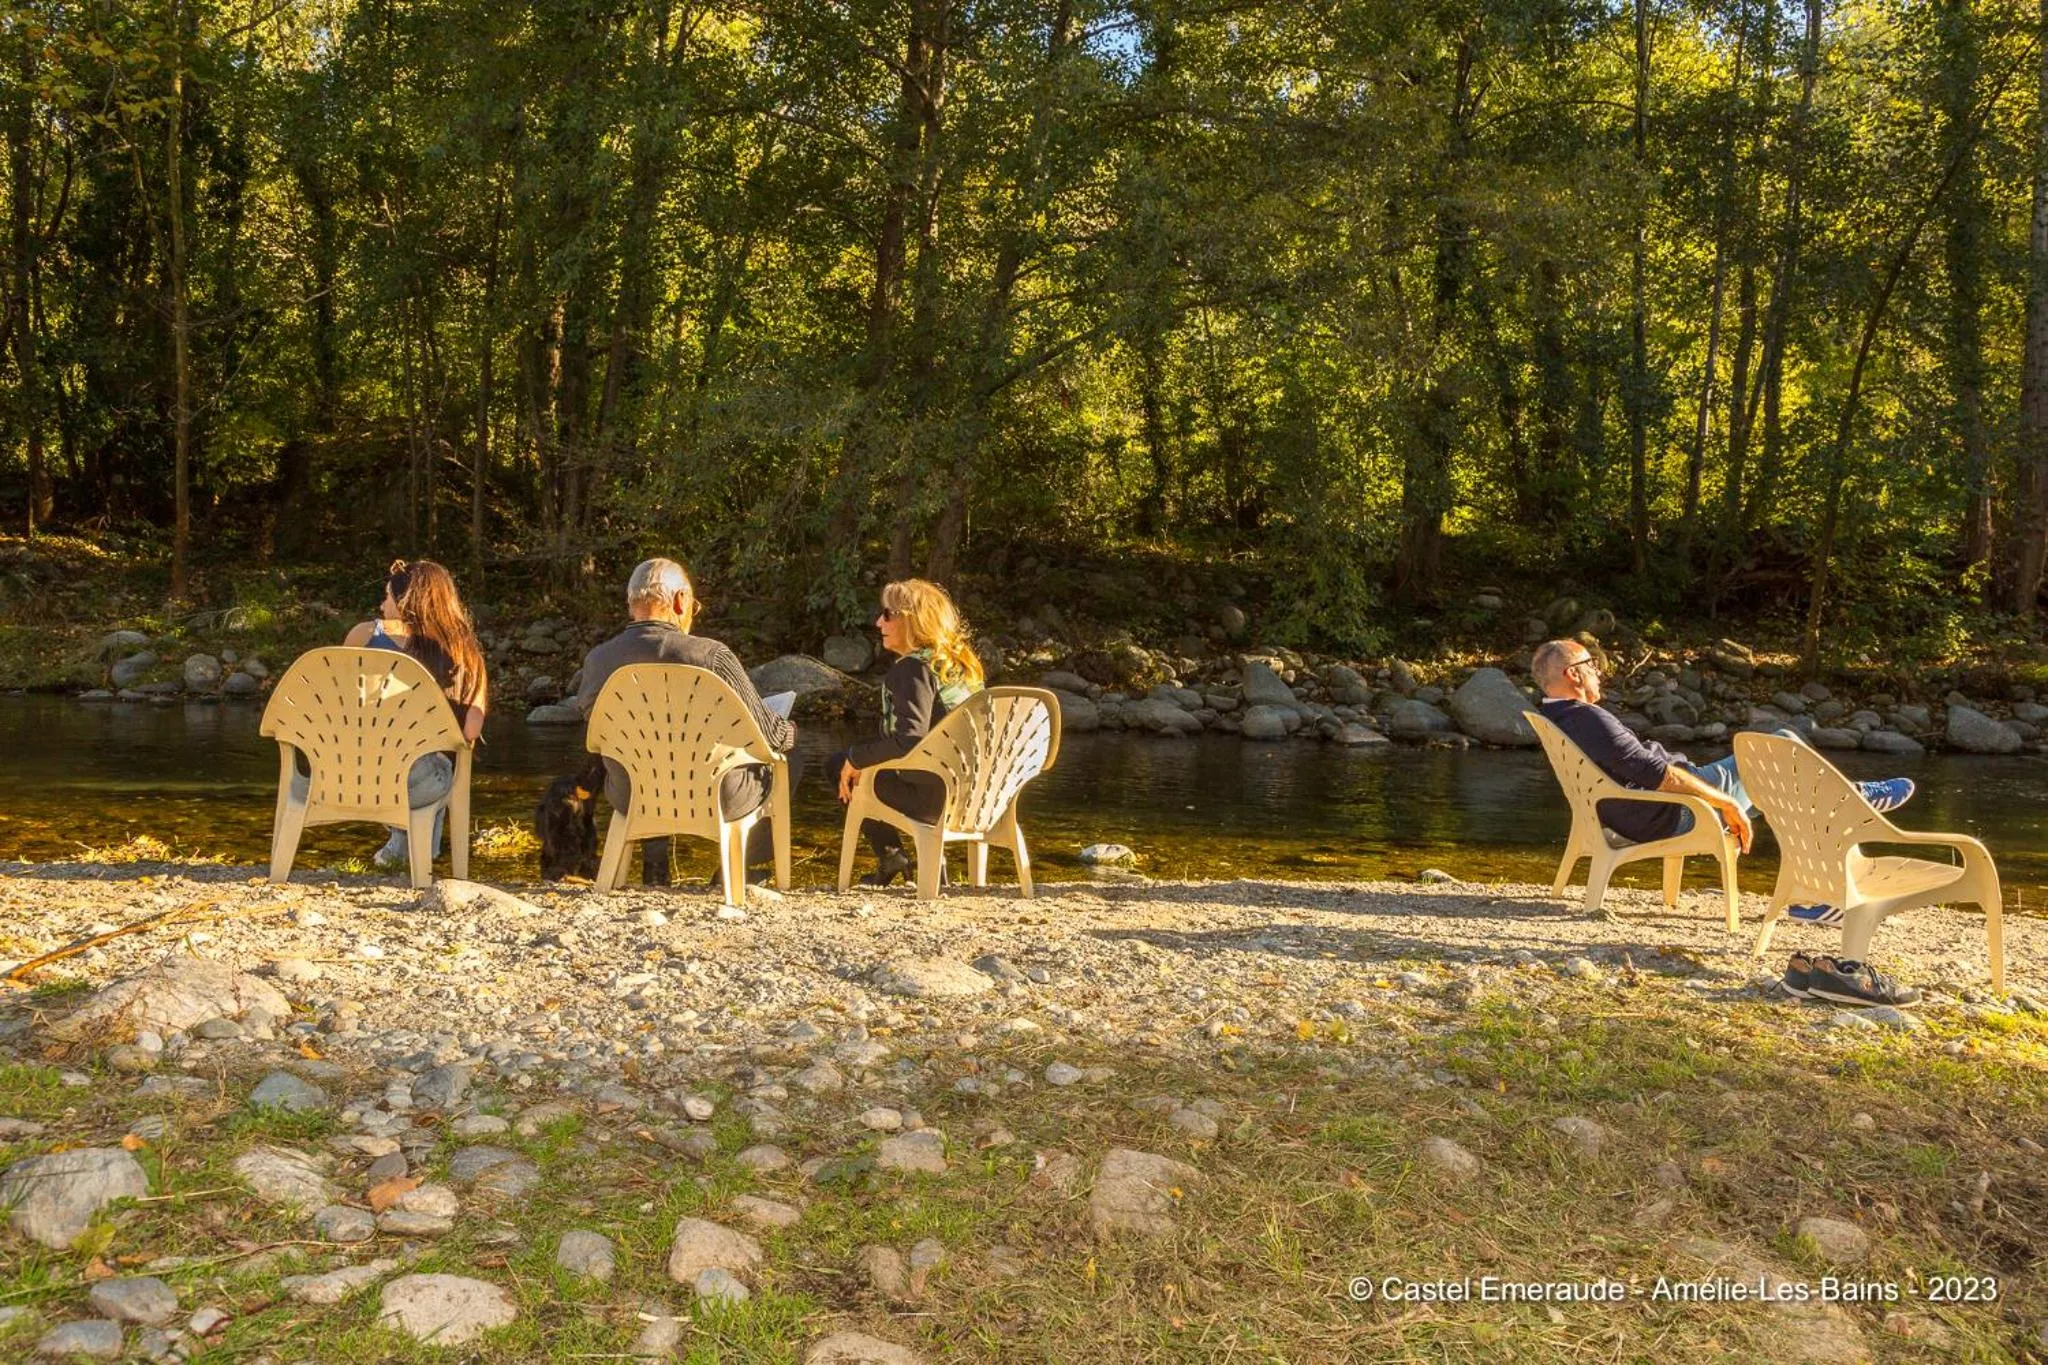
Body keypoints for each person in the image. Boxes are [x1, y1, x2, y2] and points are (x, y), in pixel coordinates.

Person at [1532, 638, 1923, 1008]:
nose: (1599, 672)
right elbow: (1657, 775)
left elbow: (1645, 770)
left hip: (1641, 811)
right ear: (1573, 673)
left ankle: (1820, 883)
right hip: (1671, 811)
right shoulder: (1587, 719)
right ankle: (1847, 809)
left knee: (1786, 787)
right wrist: (1725, 803)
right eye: (1592, 665)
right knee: (1781, 746)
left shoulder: (1557, 715)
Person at [575, 558, 795, 887]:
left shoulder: (597, 661)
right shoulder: (711, 657)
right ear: (680, 601)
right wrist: (790, 731)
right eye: (694, 605)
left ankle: (654, 874)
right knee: (790, 755)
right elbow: (771, 735)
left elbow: (596, 733)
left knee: (650, 754)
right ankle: (742, 869)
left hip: (631, 794)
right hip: (716, 796)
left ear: (630, 604)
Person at [834, 578, 984, 887]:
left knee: (838, 765)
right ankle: (913, 858)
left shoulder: (913, 669)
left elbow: (909, 740)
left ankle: (892, 855)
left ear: (913, 620)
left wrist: (855, 759)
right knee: (861, 762)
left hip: (933, 799)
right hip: (975, 795)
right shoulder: (961, 666)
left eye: (887, 614)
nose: (878, 622)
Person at [343, 559, 489, 871]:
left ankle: (400, 854)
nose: (382, 606)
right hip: (417, 782)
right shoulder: (464, 653)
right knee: (437, 765)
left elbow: (342, 704)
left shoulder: (363, 636)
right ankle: (414, 855)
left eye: (387, 597)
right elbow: (470, 733)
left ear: (405, 602)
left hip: (348, 773)